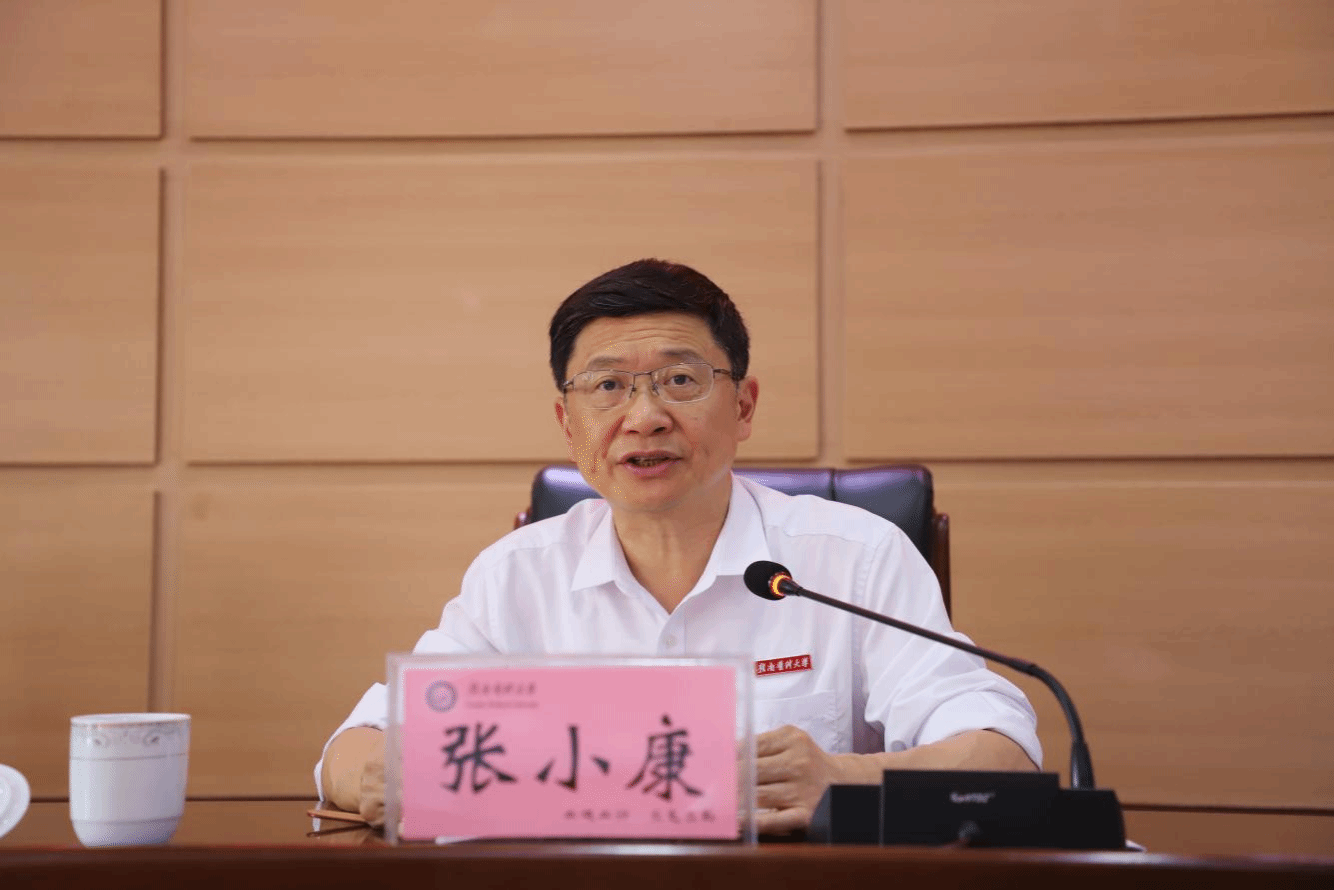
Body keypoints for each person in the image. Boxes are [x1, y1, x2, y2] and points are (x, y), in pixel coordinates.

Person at [317, 258, 1040, 833]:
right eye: (608, 385)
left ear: (744, 406)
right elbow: (354, 746)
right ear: (568, 425)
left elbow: (1002, 751)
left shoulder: (852, 559)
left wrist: (842, 778)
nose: (645, 416)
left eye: (681, 380)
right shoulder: (517, 575)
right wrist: (387, 775)